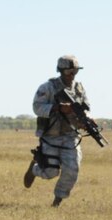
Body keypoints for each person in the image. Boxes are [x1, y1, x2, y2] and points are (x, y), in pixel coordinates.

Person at [23, 55, 92, 207]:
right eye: (69, 72)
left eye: (75, 72)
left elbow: (86, 108)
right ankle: (34, 168)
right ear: (60, 71)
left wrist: (85, 121)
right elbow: (37, 107)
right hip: (51, 136)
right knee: (50, 172)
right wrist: (58, 108)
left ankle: (56, 203)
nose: (72, 75)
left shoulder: (79, 89)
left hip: (71, 137)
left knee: (72, 170)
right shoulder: (47, 87)